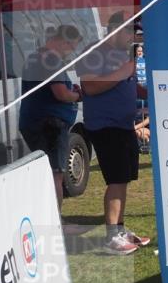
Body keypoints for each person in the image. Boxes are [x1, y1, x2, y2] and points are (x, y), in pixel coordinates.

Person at [78, 13, 151, 254]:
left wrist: (152, 92)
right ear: (115, 30)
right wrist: (124, 70)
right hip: (105, 125)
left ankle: (120, 229)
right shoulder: (95, 51)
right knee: (116, 180)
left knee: (125, 180)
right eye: (130, 31)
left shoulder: (124, 56)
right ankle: (111, 236)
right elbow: (89, 86)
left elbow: (130, 87)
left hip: (123, 124)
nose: (133, 37)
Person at [19, 25, 84, 208]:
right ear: (63, 41)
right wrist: (79, 96)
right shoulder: (51, 60)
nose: (71, 51)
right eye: (72, 46)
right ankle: (55, 221)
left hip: (35, 121)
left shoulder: (34, 57)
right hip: (50, 125)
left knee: (46, 173)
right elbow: (61, 93)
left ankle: (49, 217)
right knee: (55, 174)